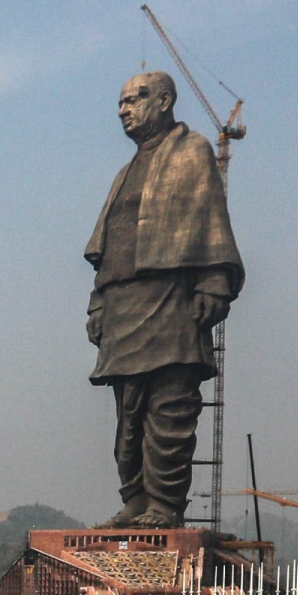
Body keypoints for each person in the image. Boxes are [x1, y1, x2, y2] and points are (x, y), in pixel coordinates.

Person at [85, 72, 242, 528]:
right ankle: (134, 498)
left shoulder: (191, 151)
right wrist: (98, 304)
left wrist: (213, 281)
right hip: (122, 303)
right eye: (120, 102)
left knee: (170, 408)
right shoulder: (125, 172)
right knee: (127, 416)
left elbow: (210, 217)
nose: (123, 110)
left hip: (170, 298)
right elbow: (107, 248)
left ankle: (165, 505)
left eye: (134, 99)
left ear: (165, 100)